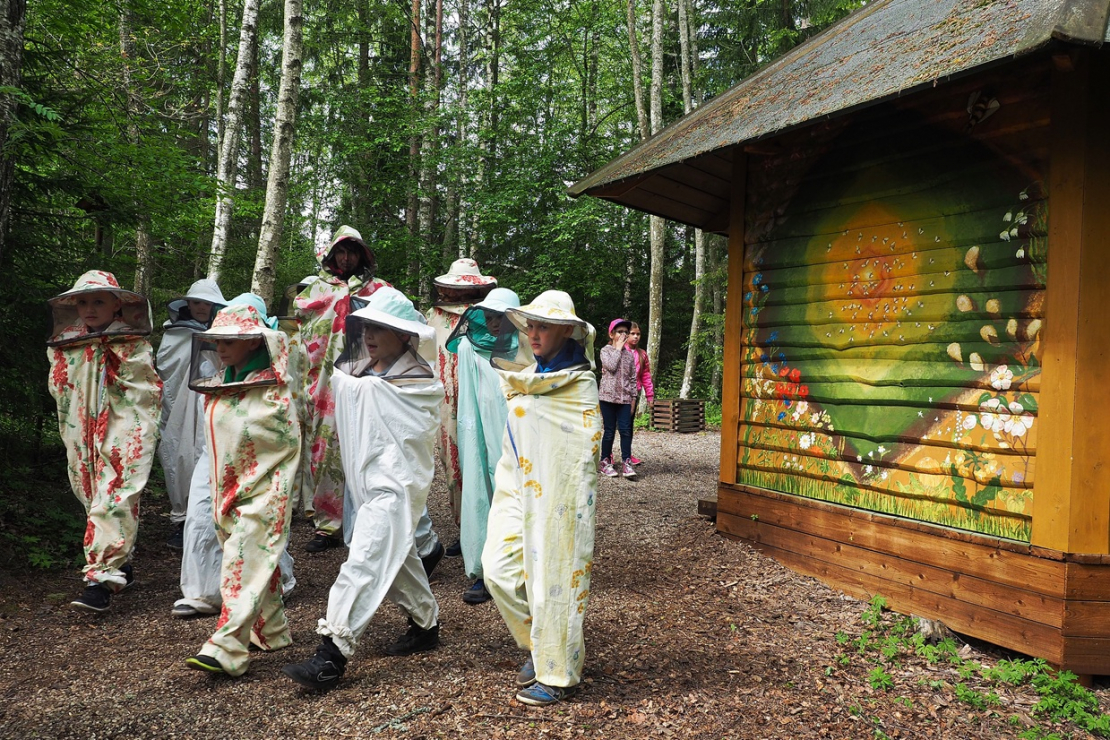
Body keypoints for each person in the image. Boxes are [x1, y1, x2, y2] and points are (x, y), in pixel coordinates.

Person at [282, 288, 444, 691]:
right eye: (367, 326)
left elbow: (410, 435)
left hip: (396, 486)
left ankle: (331, 653)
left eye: (381, 328)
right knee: (398, 555)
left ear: (405, 335)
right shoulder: (359, 371)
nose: (369, 335)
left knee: (365, 558)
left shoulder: (418, 381)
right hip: (367, 484)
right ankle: (427, 625)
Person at [482, 290, 599, 707]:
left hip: (558, 493)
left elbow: (581, 445)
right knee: (496, 570)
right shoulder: (528, 374)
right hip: (517, 485)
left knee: (555, 573)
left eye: (543, 325)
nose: (533, 333)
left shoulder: (579, 383)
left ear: (566, 330)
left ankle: (559, 673)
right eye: (530, 324)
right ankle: (538, 643)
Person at [184, 297, 301, 676]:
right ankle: (274, 631)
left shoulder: (273, 390)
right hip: (227, 490)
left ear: (253, 341)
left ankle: (227, 647)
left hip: (265, 489)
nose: (219, 349)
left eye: (228, 342)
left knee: (243, 560)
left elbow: (281, 440)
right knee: (252, 558)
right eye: (216, 341)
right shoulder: (221, 382)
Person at [46, 270, 162, 613]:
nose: (90, 308)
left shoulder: (133, 343)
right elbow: (60, 388)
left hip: (123, 427)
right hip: (79, 431)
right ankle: (120, 565)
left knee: (115, 493)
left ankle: (99, 579)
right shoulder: (67, 342)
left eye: (98, 301)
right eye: (83, 302)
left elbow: (145, 390)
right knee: (91, 494)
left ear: (117, 305)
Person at [295, 226, 390, 553]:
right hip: (327, 382)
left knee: (370, 445)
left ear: (361, 254)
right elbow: (302, 322)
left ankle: (370, 518)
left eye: (352, 252)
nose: (346, 258)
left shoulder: (379, 290)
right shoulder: (316, 289)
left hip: (368, 379)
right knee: (326, 449)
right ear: (332, 254)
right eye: (341, 252)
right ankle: (327, 526)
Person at [444, 287, 530, 604]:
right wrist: (470, 439)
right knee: (482, 493)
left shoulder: (528, 347)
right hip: (480, 429)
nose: (494, 323)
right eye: (490, 317)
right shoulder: (469, 347)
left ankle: (520, 571)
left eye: (500, 317)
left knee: (519, 496)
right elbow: (468, 397)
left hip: (518, 433)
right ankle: (482, 570)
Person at [426, 258, 497, 555]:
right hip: (444, 399)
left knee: (481, 459)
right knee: (451, 463)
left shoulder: (488, 314)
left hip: (480, 397)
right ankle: (465, 528)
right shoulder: (433, 316)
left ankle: (490, 530)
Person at [155, 279, 226, 550]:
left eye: (207, 303)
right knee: (178, 455)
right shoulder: (174, 334)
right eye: (197, 302)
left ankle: (208, 520)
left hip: (209, 405)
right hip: (178, 409)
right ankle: (182, 520)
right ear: (188, 303)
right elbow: (167, 368)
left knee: (208, 456)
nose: (201, 307)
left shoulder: (223, 331)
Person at [598, 318, 638, 480]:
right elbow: (611, 366)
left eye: (625, 332)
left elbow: (633, 379)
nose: (623, 335)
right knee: (609, 431)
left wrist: (633, 399)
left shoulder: (629, 356)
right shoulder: (605, 351)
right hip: (607, 398)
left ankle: (627, 462)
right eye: (620, 332)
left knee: (626, 430)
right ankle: (605, 461)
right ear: (612, 334)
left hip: (625, 399)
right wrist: (618, 348)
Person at [626, 322, 654, 466]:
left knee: (629, 425)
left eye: (638, 334)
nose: (636, 337)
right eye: (633, 333)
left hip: (633, 394)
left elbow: (646, 376)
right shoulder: (618, 350)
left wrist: (650, 395)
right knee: (612, 426)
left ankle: (627, 454)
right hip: (617, 393)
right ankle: (608, 455)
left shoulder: (642, 354)